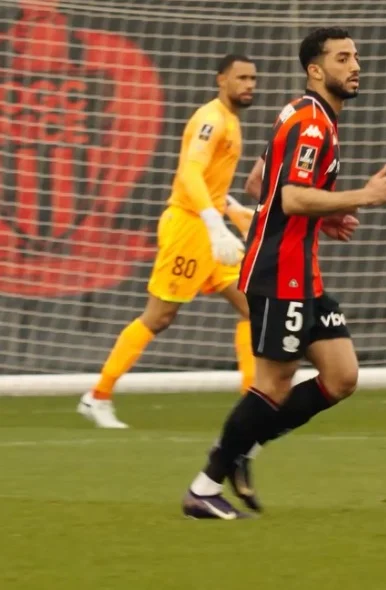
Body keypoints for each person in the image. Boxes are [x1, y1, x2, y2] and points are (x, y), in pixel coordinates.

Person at [182, 27, 386, 520]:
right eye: (342, 58)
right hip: (281, 271)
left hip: (302, 268)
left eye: (355, 56)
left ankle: (244, 450)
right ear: (315, 70)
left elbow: (260, 182)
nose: (355, 66)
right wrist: (360, 198)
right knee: (274, 384)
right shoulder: (313, 125)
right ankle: (204, 487)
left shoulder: (300, 112)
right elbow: (292, 197)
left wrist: (327, 214)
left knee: (341, 376)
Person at [77, 54, 258, 428]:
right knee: (159, 316)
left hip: (210, 229)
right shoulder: (210, 120)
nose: (248, 85)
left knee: (254, 307)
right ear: (221, 80)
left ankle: (253, 404)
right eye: (241, 78)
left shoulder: (230, 120)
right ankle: (98, 396)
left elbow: (209, 183)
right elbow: (190, 173)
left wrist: (233, 210)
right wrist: (213, 223)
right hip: (189, 229)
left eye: (252, 79)